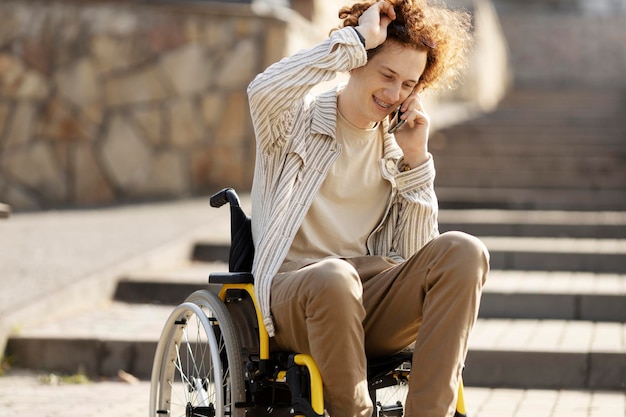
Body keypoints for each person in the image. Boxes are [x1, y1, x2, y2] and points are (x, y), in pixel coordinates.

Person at [246, 1, 489, 416]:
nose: (395, 94)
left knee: (465, 251)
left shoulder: (396, 147)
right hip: (294, 295)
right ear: (358, 63)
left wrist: (416, 164)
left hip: (368, 299)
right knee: (334, 276)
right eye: (387, 75)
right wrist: (356, 40)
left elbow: (413, 258)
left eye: (409, 84)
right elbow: (263, 90)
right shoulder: (293, 124)